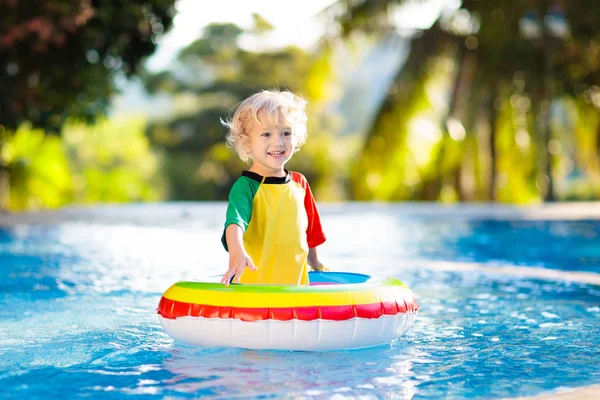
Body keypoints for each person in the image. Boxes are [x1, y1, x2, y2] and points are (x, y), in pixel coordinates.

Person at [220, 89, 327, 286]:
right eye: (266, 134)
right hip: (254, 293)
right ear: (247, 141)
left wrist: (316, 263)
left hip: (295, 292)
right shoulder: (246, 187)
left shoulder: (299, 183)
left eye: (286, 133)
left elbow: (310, 232)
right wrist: (237, 252)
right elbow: (234, 224)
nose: (278, 142)